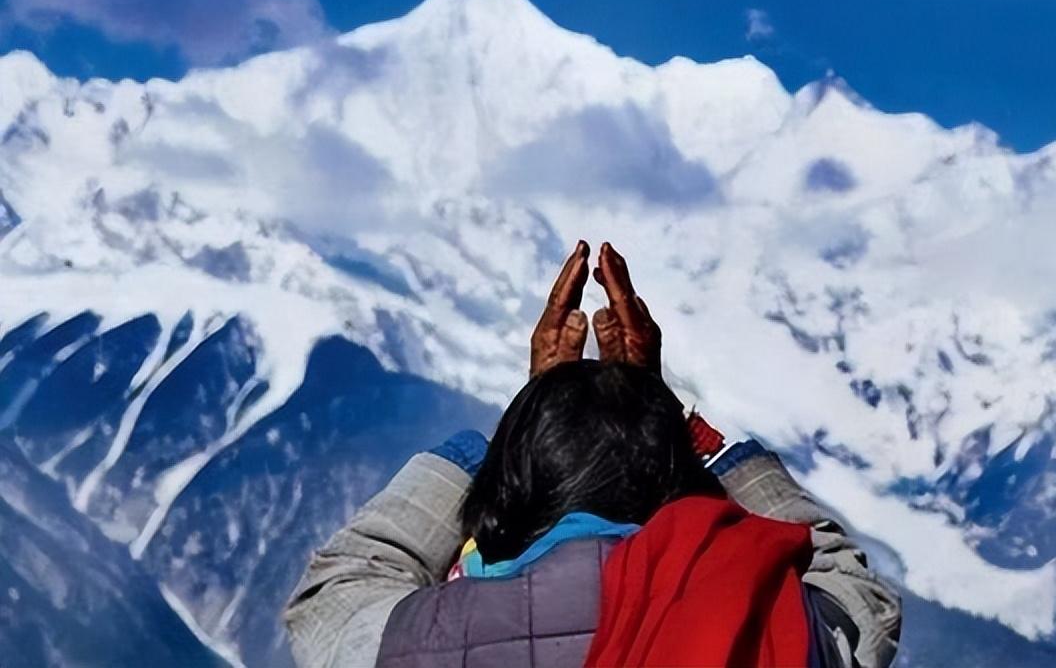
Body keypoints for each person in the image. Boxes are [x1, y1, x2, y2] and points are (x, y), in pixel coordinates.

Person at [284, 241, 901, 668]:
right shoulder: (769, 622)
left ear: (518, 483)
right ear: (675, 492)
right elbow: (850, 587)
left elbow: (340, 587)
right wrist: (684, 435)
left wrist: (528, 419)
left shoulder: (418, 641)